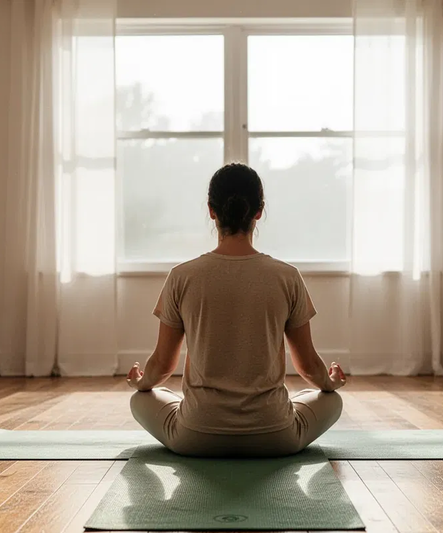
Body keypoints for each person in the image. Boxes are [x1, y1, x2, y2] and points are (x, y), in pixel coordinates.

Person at [126, 163, 346, 458]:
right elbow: (307, 366)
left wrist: (140, 382)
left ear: (211, 210)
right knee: (331, 401)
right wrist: (330, 383)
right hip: (275, 436)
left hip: (195, 435)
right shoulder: (287, 276)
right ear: (259, 211)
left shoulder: (181, 276)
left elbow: (162, 366)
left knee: (141, 400)